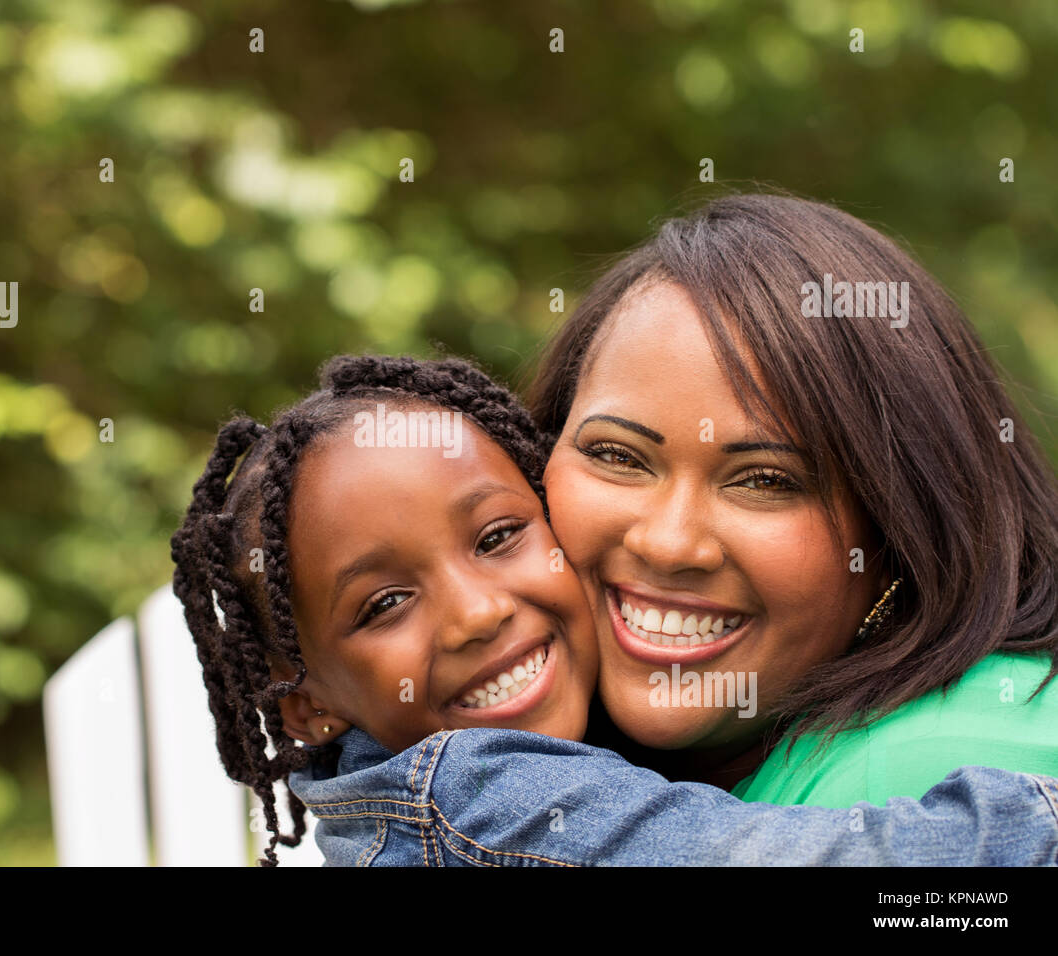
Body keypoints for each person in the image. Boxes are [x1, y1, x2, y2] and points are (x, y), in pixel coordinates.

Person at [169, 353, 1058, 866]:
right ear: (306, 705)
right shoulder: (475, 796)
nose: (477, 613)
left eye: (497, 538)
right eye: (386, 603)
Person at [528, 191, 1058, 804]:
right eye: (617, 456)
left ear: (900, 534)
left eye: (765, 481)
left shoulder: (929, 782)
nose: (669, 543)